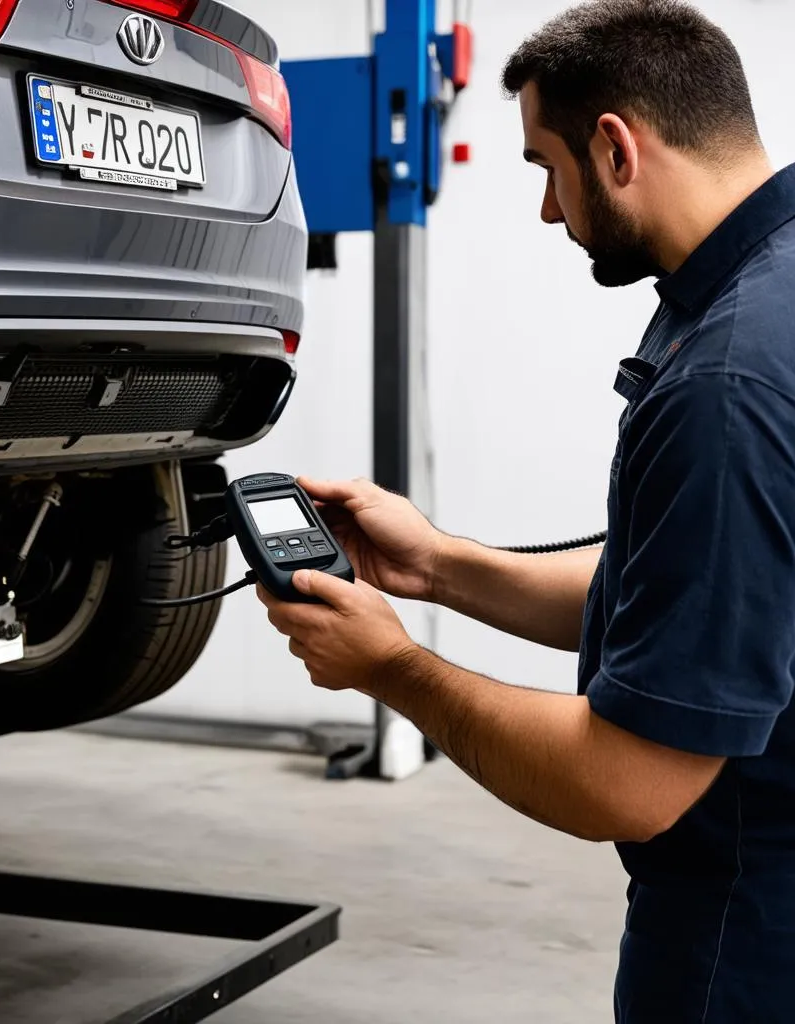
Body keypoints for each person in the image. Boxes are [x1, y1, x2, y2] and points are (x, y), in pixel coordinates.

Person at [258, 1, 795, 1020]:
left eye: (543, 168)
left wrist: (392, 667)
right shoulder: (766, 297)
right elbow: (701, 581)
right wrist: (435, 567)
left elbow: (629, 783)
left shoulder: (728, 382)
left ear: (614, 146)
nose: (550, 212)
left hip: (744, 938)